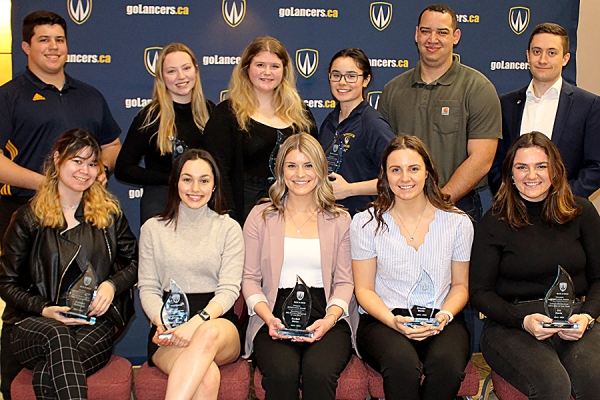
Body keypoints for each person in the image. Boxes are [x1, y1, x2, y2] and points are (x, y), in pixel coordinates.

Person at [0, 129, 137, 400]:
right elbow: (5, 282)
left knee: (47, 374)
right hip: (36, 323)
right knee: (56, 335)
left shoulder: (109, 214)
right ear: (57, 159)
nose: (84, 170)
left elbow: (135, 262)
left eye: (91, 163)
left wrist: (112, 284)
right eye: (77, 161)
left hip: (93, 322)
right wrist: (44, 309)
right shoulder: (28, 218)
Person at [470, 131, 600, 400]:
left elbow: (599, 279)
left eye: (541, 166)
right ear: (510, 174)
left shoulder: (582, 212)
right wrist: (523, 320)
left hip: (575, 318)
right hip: (512, 323)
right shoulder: (494, 221)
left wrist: (587, 316)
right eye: (522, 167)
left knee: (594, 381)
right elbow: (480, 293)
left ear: (555, 170)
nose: (532, 175)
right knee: (553, 386)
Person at [351, 135, 473, 400]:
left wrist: (444, 317)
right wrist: (394, 322)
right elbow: (364, 290)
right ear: (384, 175)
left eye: (413, 168)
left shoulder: (458, 222)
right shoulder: (365, 223)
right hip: (383, 320)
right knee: (402, 365)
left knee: (447, 367)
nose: (405, 178)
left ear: (427, 172)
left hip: (442, 318)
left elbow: (461, 286)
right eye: (396, 170)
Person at [242, 133, 358, 400]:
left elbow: (344, 282)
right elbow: (249, 278)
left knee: (319, 372)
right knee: (282, 373)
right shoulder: (261, 216)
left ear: (320, 170)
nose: (300, 174)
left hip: (327, 310)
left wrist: (329, 320)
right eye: (291, 165)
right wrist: (267, 318)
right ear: (281, 170)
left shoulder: (340, 219)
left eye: (308, 165)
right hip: (272, 310)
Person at [0, 10, 121, 239]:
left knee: (88, 276)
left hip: (85, 210)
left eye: (59, 40)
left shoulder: (90, 95)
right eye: (44, 40)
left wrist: (101, 169)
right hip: (25, 210)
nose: (53, 47)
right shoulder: (8, 96)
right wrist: (48, 184)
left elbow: (112, 145)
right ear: (26, 47)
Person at [378, 3, 501, 222]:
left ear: (456, 36)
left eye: (442, 32)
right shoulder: (393, 90)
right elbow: (384, 155)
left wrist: (437, 203)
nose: (432, 39)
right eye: (426, 31)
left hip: (459, 206)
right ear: (416, 34)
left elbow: (482, 159)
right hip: (402, 206)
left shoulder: (478, 88)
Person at [138, 149, 243, 400]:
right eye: (187, 179)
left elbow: (229, 290)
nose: (195, 188)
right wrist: (159, 321)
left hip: (216, 324)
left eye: (204, 180)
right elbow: (148, 287)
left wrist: (195, 324)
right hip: (168, 324)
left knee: (206, 335)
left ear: (214, 185)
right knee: (207, 377)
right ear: (176, 183)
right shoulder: (152, 229)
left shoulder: (228, 228)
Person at [204, 36, 318, 225]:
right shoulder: (227, 114)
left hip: (293, 209)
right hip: (244, 210)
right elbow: (219, 173)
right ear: (246, 68)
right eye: (260, 65)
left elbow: (313, 167)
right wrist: (230, 221)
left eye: (275, 66)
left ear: (284, 70)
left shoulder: (301, 114)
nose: (267, 72)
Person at [489, 23, 600, 198]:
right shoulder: (506, 104)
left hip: (565, 215)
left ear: (565, 58)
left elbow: (596, 166)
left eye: (552, 53)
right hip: (515, 213)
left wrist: (562, 200)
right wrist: (510, 196)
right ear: (528, 56)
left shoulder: (589, 105)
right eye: (537, 51)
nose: (542, 60)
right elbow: (495, 162)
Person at [115, 43, 214, 225]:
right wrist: (172, 179)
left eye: (186, 68)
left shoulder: (211, 112)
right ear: (161, 76)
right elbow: (123, 169)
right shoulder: (150, 117)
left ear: (196, 70)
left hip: (203, 206)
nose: (181, 76)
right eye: (171, 71)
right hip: (161, 204)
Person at [319, 48, 394, 216]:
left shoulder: (372, 124)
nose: (342, 82)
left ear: (366, 80)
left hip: (364, 221)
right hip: (331, 219)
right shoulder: (329, 122)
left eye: (351, 76)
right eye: (336, 75)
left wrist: (350, 189)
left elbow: (397, 178)